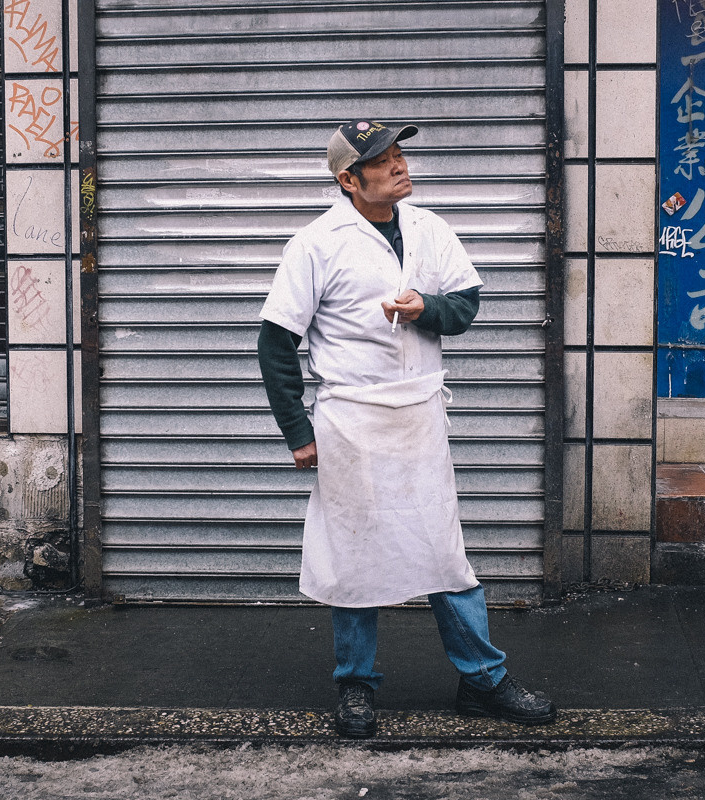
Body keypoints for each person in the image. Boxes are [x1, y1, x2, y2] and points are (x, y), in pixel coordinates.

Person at [257, 120, 556, 738]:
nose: (398, 165)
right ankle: (357, 687)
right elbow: (275, 343)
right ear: (348, 180)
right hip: (352, 422)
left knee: (444, 554)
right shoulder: (315, 244)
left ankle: (483, 680)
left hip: (419, 419)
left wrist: (427, 311)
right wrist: (298, 433)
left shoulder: (428, 228)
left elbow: (466, 307)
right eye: (382, 159)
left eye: (399, 154)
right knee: (355, 557)